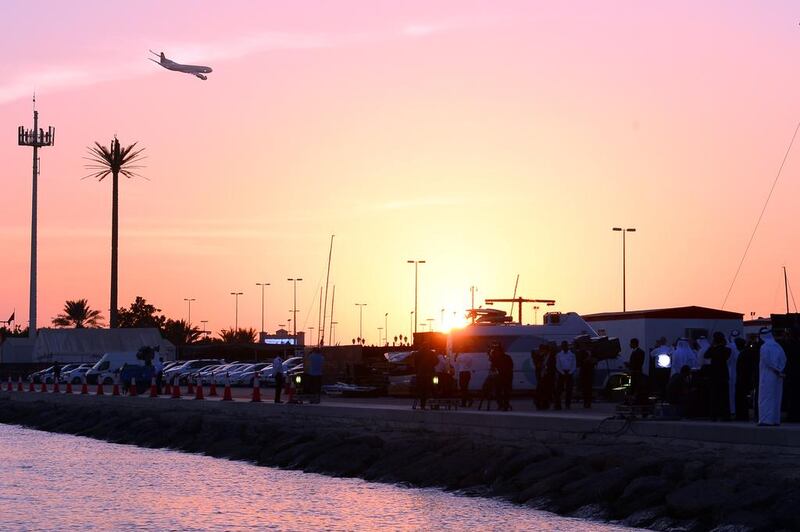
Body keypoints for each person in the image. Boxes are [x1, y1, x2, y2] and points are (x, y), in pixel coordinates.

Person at [757, 328, 786, 426]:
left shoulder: (764, 347)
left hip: (768, 375)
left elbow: (767, 361)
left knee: (765, 397)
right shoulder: (778, 346)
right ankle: (775, 419)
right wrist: (780, 369)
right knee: (776, 397)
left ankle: (766, 420)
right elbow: (784, 359)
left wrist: (776, 369)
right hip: (778, 375)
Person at [704, 332, 731, 421]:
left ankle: (713, 415)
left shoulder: (713, 350)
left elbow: (706, 355)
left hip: (714, 375)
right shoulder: (727, 350)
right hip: (723, 375)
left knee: (714, 396)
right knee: (724, 397)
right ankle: (725, 415)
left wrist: (712, 346)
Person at [734, 337, 756, 421]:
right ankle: (743, 415)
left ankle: (741, 415)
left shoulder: (743, 354)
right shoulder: (747, 352)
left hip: (742, 378)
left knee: (741, 398)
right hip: (746, 378)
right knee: (744, 398)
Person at [781, 328, 800, 423]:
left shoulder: (788, 346)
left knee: (791, 395)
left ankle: (792, 415)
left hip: (791, 373)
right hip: (796, 372)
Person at [490, 343, 514, 411]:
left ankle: (502, 405)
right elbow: (511, 366)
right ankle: (504, 405)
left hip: (502, 377)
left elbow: (493, 368)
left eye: (496, 351)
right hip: (506, 377)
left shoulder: (496, 358)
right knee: (504, 392)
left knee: (500, 392)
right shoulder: (507, 357)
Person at [414, 343, 437, 409]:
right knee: (433, 388)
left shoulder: (417, 353)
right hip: (431, 374)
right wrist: (431, 365)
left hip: (421, 374)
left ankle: (422, 405)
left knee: (422, 390)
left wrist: (418, 370)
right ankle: (435, 404)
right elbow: (436, 361)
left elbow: (415, 364)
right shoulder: (431, 353)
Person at [555, 341, 576, 410]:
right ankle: (558, 404)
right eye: (563, 346)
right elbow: (557, 365)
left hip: (570, 373)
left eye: (565, 345)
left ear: (567, 346)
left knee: (569, 390)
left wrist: (570, 372)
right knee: (559, 390)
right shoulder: (559, 355)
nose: (564, 347)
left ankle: (568, 404)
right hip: (561, 373)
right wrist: (562, 372)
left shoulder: (572, 355)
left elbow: (574, 365)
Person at [726, 331, 741, 417]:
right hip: (736, 372)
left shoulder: (729, 347)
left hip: (730, 371)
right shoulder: (739, 347)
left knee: (730, 391)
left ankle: (731, 409)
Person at [627, 338, 645, 403]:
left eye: (631, 343)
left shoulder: (639, 352)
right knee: (634, 386)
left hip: (636, 372)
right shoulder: (638, 352)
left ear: (634, 344)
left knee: (636, 386)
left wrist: (630, 366)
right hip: (635, 372)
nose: (629, 345)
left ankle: (635, 400)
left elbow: (638, 363)